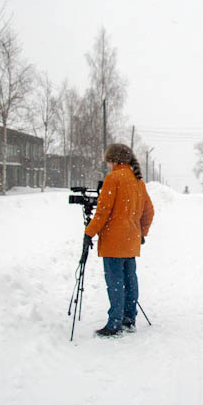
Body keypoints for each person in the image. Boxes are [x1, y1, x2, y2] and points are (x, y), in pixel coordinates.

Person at [83, 143, 154, 336]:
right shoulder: (137, 181)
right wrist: (142, 233)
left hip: (114, 242)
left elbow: (102, 213)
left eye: (108, 161)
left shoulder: (113, 179)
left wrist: (89, 232)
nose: (108, 165)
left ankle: (114, 323)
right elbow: (149, 211)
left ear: (114, 160)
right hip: (131, 241)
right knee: (130, 281)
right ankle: (129, 319)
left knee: (115, 282)